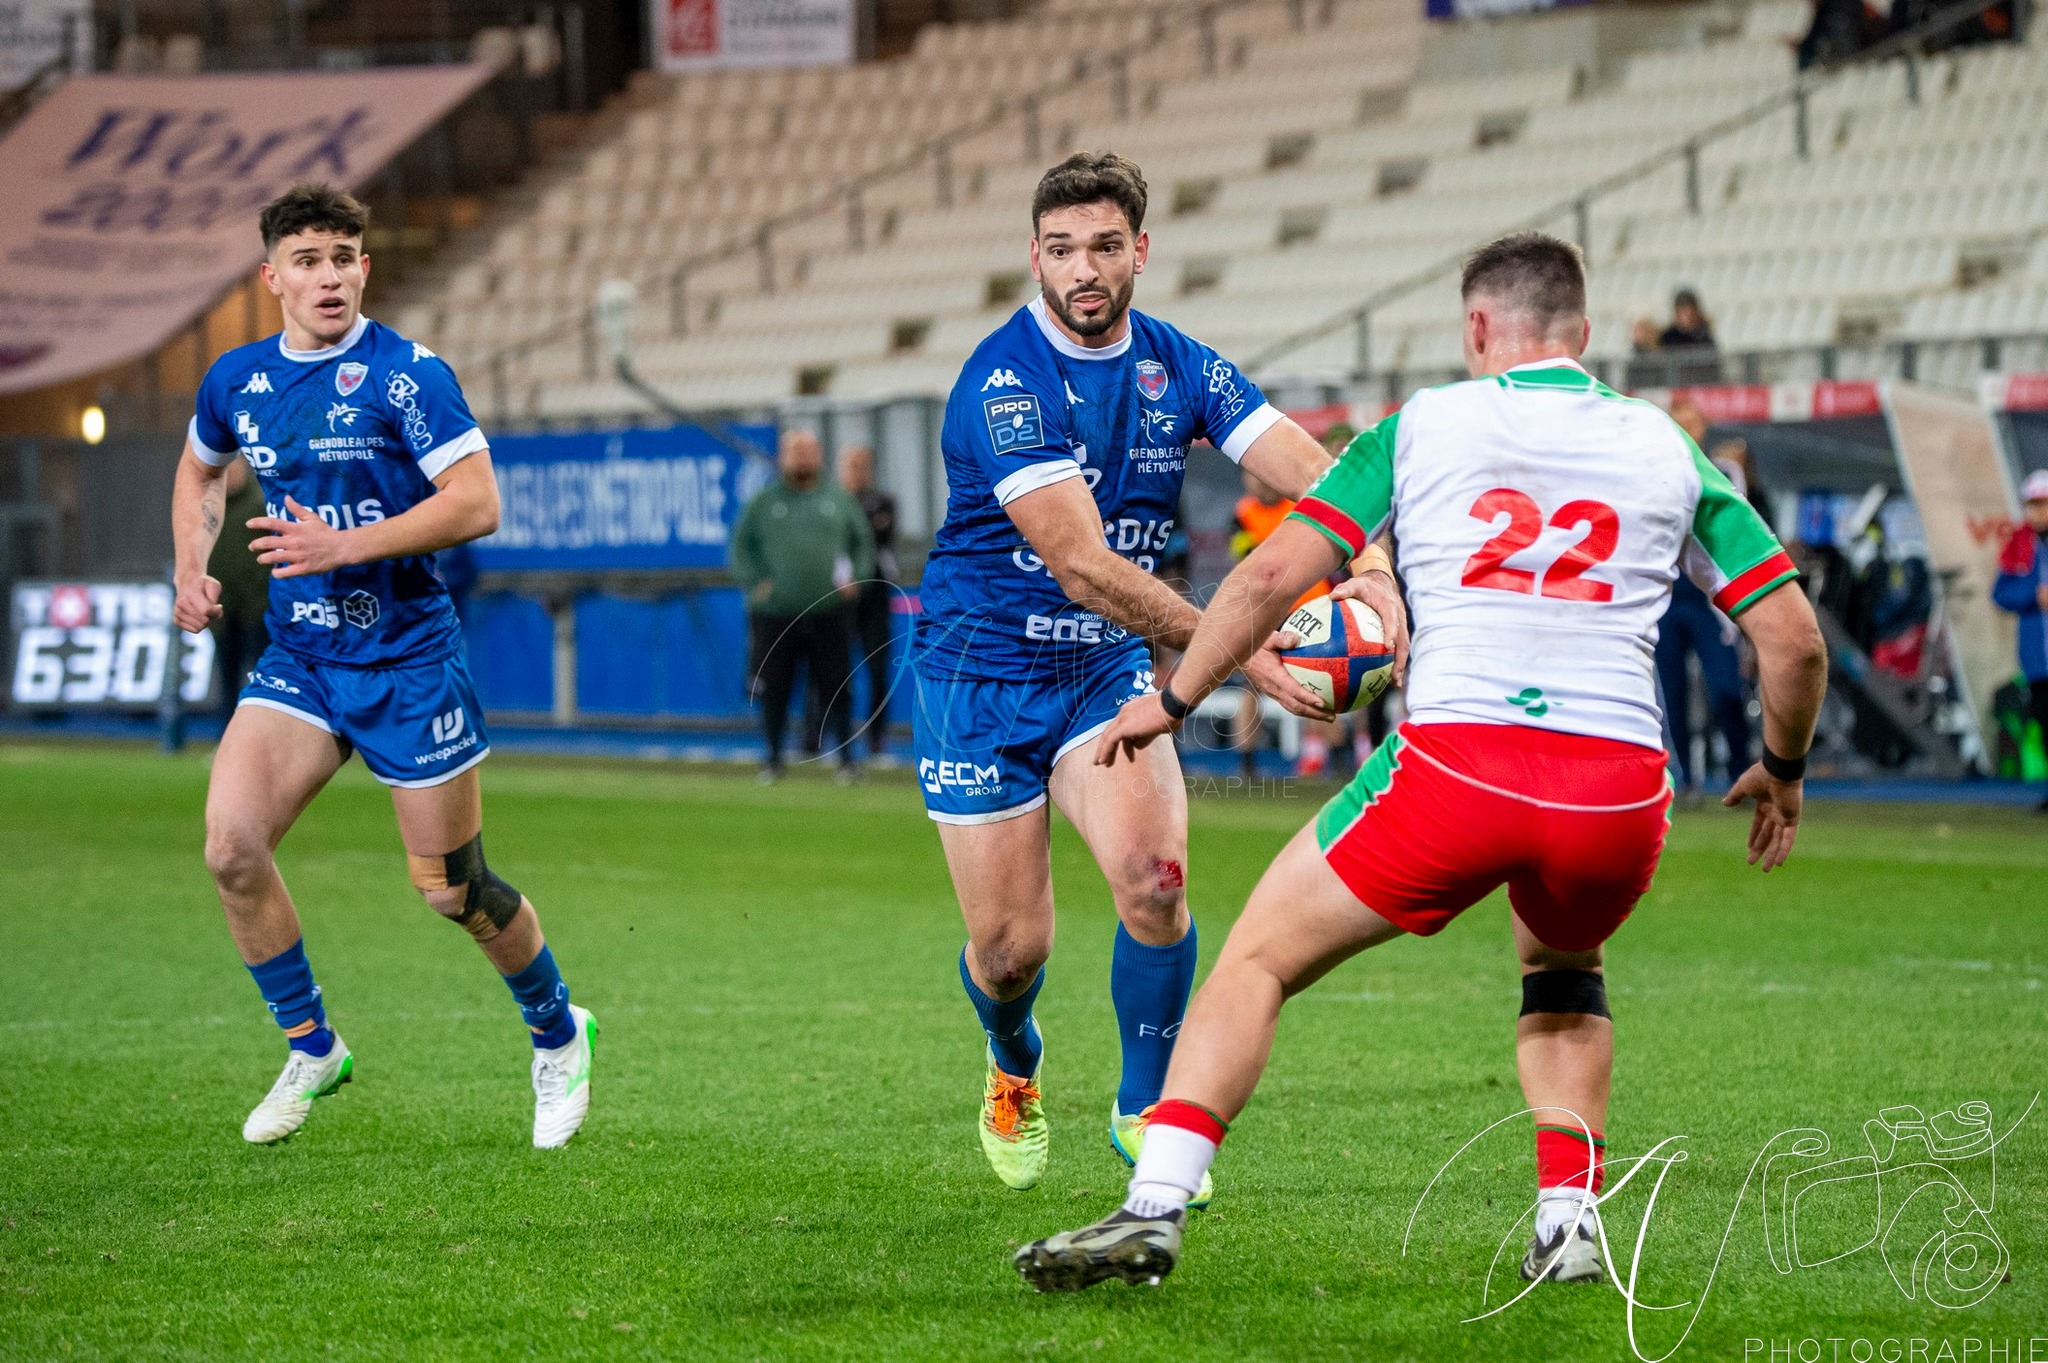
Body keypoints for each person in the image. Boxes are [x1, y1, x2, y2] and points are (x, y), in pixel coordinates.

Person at [1015, 231, 1827, 1293]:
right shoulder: (1667, 447)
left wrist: (1173, 701)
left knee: (1256, 961)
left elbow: (1265, 581)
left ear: (1477, 326)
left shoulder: (1420, 424)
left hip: (1457, 773)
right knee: (1564, 974)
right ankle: (1568, 1220)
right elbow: (1794, 641)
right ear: (1581, 334)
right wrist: (1782, 770)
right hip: (1618, 793)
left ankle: (1154, 1203)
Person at [912, 151, 1406, 1197]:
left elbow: (1308, 466)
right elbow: (1084, 567)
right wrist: (1241, 645)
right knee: (1008, 953)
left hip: (1100, 670)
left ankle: (1143, 1105)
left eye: (1102, 247)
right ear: (1034, 258)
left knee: (1156, 881)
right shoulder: (1004, 383)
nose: (1082, 270)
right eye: (1060, 250)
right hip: (976, 677)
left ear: (1139, 249)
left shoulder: (1179, 363)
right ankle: (1012, 1059)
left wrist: (1369, 559)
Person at [171, 183, 596, 1149]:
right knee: (232, 846)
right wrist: (190, 565)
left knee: (453, 889)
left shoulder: (409, 375)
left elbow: (478, 502)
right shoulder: (236, 380)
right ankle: (313, 1046)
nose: (328, 277)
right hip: (303, 657)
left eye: (343, 259)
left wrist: (343, 546)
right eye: (308, 261)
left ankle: (558, 1031)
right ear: (272, 277)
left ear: (365, 268)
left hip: (407, 658)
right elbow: (201, 469)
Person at [731, 429, 875, 781]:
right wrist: (756, 582)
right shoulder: (763, 502)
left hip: (829, 611)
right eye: (794, 450)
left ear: (819, 455)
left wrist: (857, 578)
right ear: (782, 456)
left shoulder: (838, 499)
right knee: (775, 687)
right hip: (777, 613)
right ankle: (773, 758)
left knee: (837, 686)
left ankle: (846, 760)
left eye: (807, 450)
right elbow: (740, 547)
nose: (801, 457)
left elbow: (862, 543)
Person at [1656, 400, 1755, 792]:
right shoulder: (1656, 471)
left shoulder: (1721, 470)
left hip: (1709, 603)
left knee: (1727, 690)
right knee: (1672, 696)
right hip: (1667, 599)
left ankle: (1740, 772)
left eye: (1692, 424)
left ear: (1703, 428)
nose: (1686, 431)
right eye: (1678, 424)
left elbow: (1734, 502)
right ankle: (1686, 779)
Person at [836, 444, 899, 761]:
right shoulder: (830, 503)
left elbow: (880, 536)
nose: (857, 471)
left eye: (862, 464)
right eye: (851, 464)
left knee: (877, 670)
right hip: (838, 597)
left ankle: (876, 739)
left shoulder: (883, 501)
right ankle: (818, 737)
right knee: (831, 671)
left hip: (875, 594)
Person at [1993, 468, 2048, 812]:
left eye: (2042, 504)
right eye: (2032, 504)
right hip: (2039, 658)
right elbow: (2001, 594)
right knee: (2043, 721)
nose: (2036, 512)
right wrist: (2034, 594)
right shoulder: (2022, 545)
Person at [206, 455, 269, 724]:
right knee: (227, 681)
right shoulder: (210, 505)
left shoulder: (260, 501)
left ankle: (265, 734)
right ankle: (226, 736)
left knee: (264, 677)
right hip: (223, 609)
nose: (230, 474)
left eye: (234, 467)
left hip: (259, 610)